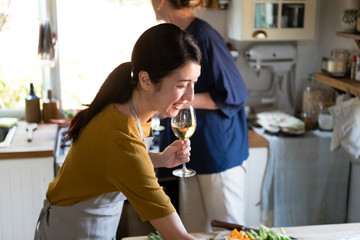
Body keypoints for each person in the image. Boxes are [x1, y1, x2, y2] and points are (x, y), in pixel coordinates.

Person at [34, 23, 202, 240]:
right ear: (145, 80)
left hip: (92, 226)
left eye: (193, 83)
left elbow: (115, 163)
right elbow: (177, 236)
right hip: (73, 231)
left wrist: (158, 159)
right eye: (181, 85)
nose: (190, 96)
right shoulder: (120, 136)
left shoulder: (128, 108)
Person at [151, 0, 249, 233]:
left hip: (217, 155)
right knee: (193, 232)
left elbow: (235, 94)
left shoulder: (203, 35)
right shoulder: (179, 37)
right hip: (192, 155)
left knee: (228, 233)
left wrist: (176, 99)